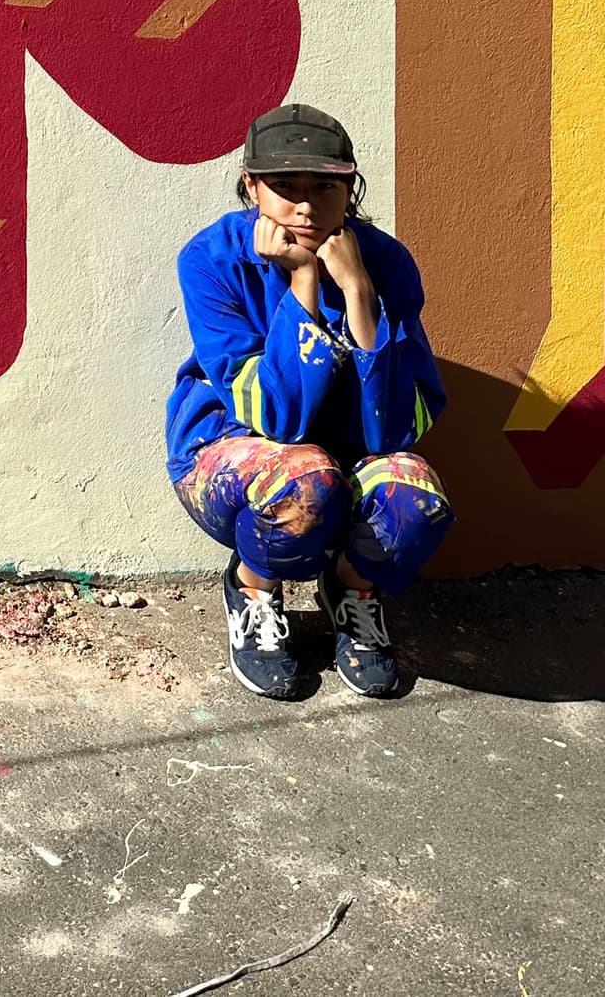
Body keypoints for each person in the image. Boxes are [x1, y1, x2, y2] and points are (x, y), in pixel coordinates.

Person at [166, 103, 453, 700]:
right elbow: (276, 419)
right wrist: (301, 283)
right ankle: (252, 589)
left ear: (349, 187)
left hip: (346, 453)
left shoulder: (385, 263)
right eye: (284, 186)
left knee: (415, 496)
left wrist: (357, 290)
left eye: (324, 185)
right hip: (227, 455)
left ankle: (351, 592)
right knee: (305, 480)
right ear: (252, 186)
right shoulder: (213, 260)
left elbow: (396, 430)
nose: (304, 204)